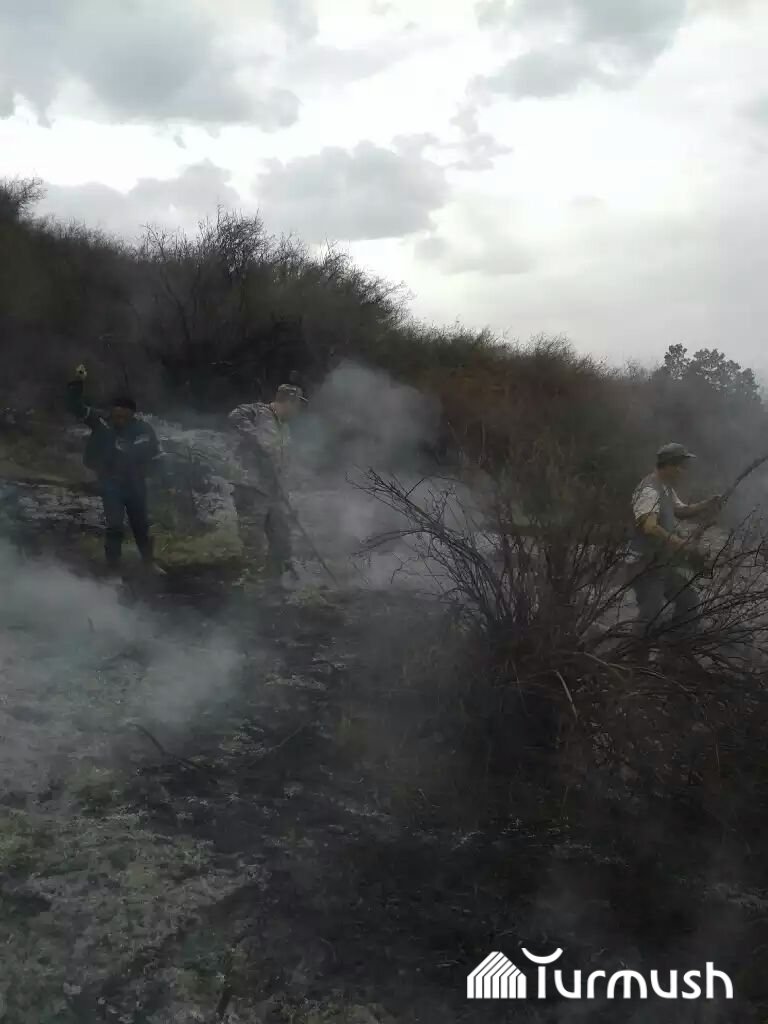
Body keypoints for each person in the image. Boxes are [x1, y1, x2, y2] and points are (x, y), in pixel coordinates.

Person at [67, 364, 164, 577]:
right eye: (116, 413)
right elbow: (75, 407)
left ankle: (148, 562)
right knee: (114, 526)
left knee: (141, 525)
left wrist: (144, 465)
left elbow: (152, 452)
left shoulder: (143, 429)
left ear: (132, 414)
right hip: (110, 483)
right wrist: (78, 382)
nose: (119, 418)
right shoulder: (102, 422)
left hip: (135, 483)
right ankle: (113, 568)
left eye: (123, 415)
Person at [628, 442, 723, 655]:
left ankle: (672, 652)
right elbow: (650, 527)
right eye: (681, 466)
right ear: (669, 465)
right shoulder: (649, 490)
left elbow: (681, 510)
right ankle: (633, 660)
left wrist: (707, 503)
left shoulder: (665, 488)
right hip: (645, 565)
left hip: (661, 564)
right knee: (649, 615)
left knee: (689, 602)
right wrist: (681, 544)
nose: (683, 471)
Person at [227, 383, 307, 581]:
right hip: (251, 488)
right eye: (297, 406)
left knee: (282, 539)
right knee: (253, 544)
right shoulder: (258, 412)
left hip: (274, 492)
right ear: (289, 402)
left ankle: (277, 583)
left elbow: (283, 460)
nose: (298, 412)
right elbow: (234, 416)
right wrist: (256, 438)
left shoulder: (284, 427)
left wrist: (289, 488)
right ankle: (252, 587)